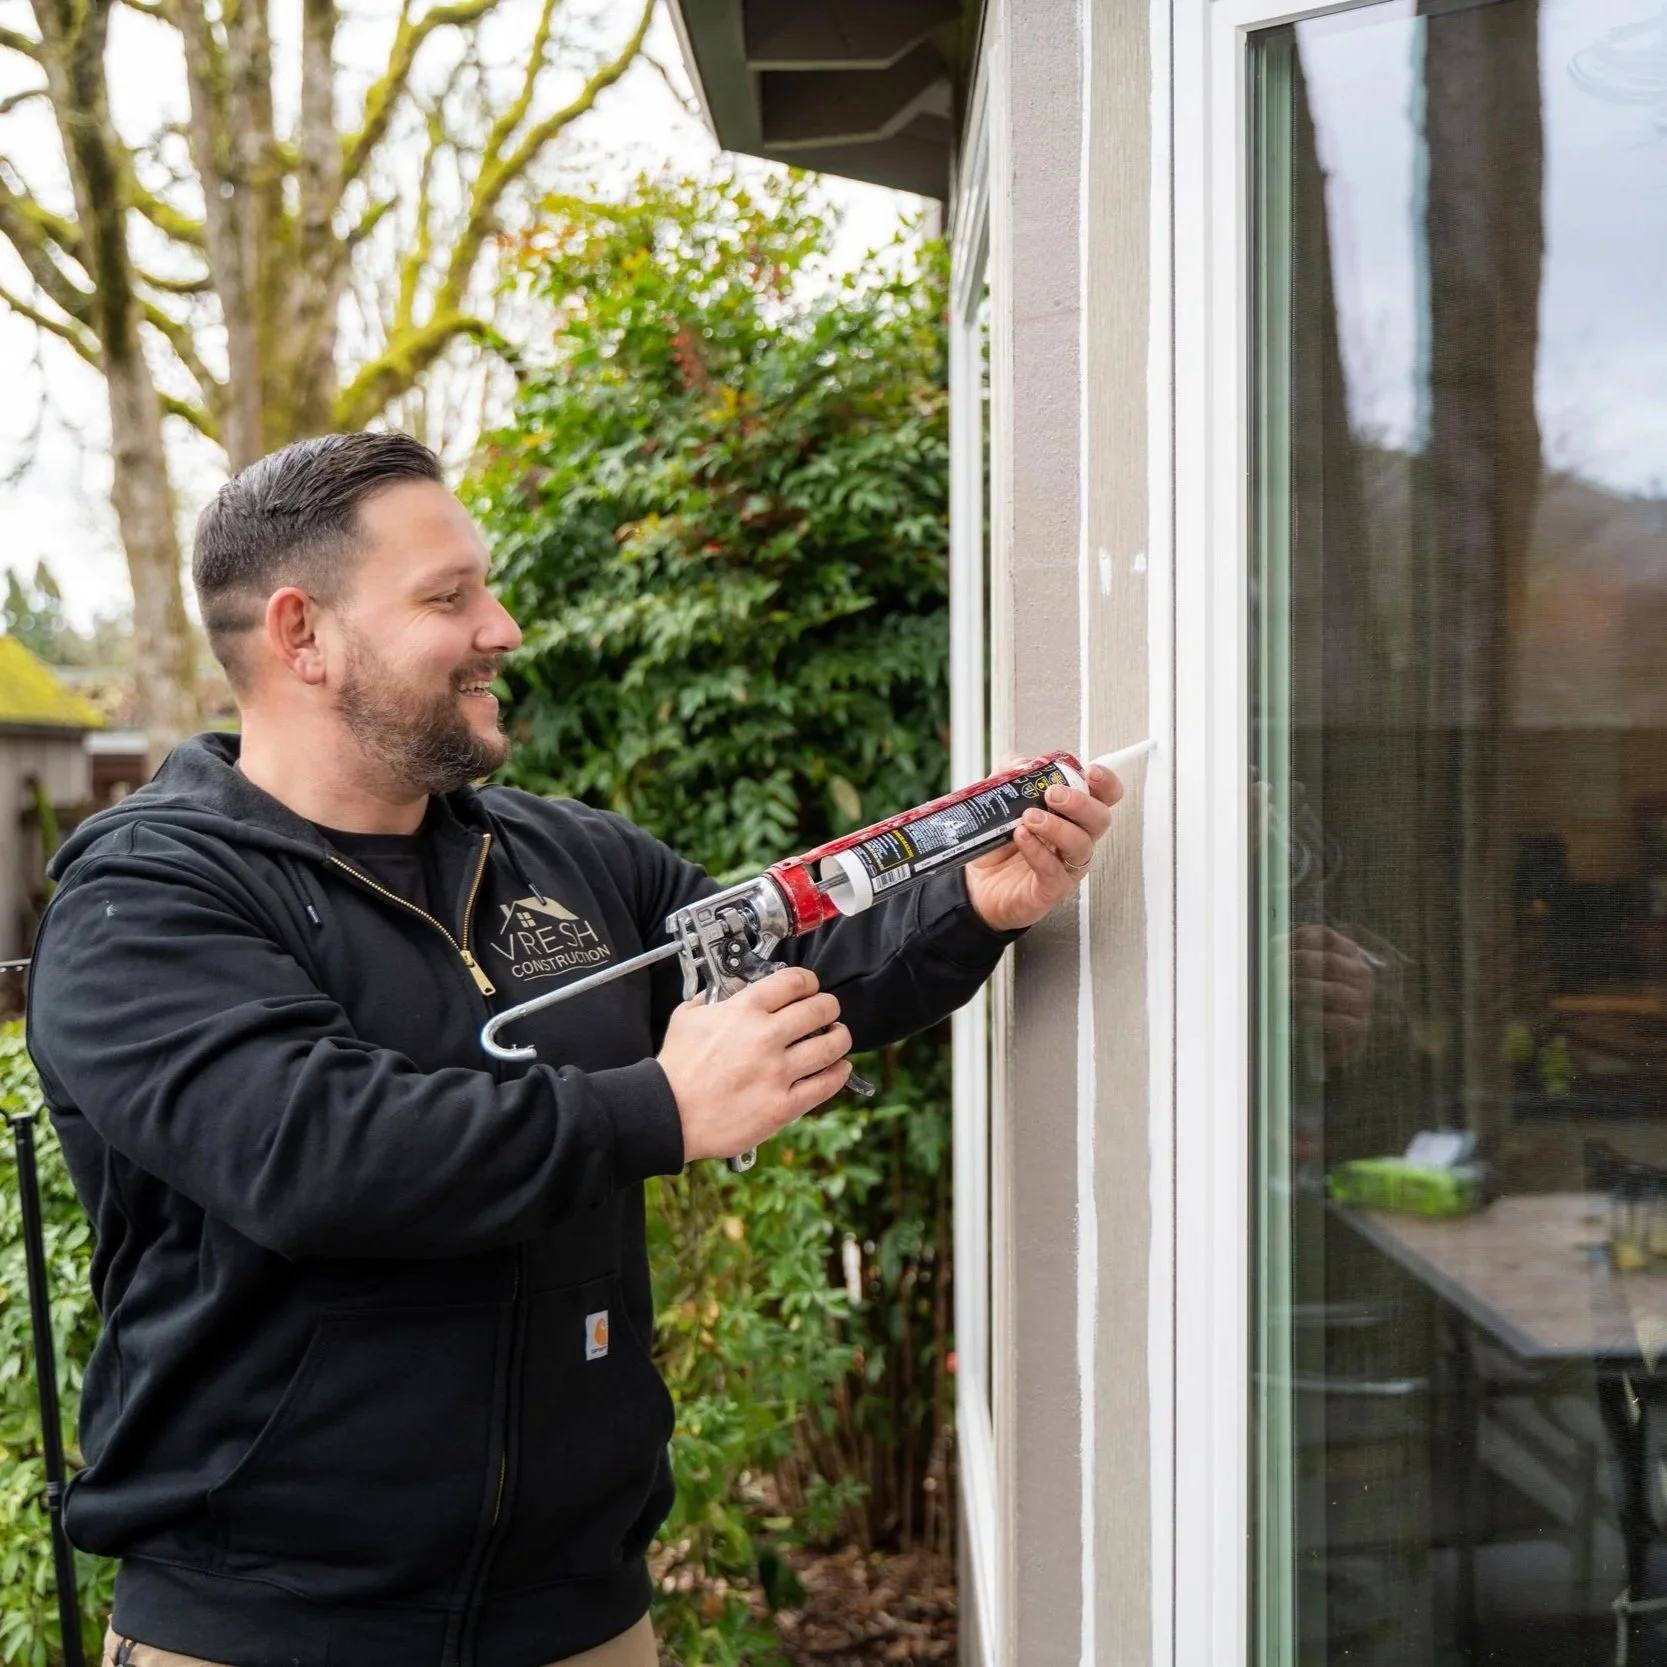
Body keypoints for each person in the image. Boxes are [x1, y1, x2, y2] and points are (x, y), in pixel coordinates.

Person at [25, 432, 1125, 1667]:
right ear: (302, 634)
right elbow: (315, 1150)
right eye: (448, 596)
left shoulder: (567, 857)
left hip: (582, 1620)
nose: (501, 627)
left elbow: (789, 973)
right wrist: (656, 1107)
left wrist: (971, 901)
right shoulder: (144, 900)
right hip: (266, 1631)